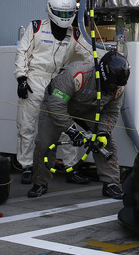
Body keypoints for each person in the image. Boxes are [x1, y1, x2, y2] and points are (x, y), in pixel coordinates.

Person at [28, 50, 130, 199]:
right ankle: (40, 182)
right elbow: (56, 106)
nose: (114, 87)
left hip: (88, 107)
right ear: (102, 75)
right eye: (111, 84)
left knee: (107, 143)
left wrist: (103, 132)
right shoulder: (76, 75)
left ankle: (111, 183)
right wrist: (71, 131)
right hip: (57, 103)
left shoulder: (118, 88)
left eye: (117, 85)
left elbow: (111, 113)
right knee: (44, 142)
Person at [14, 0, 90, 184]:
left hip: (59, 83)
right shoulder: (36, 27)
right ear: (50, 10)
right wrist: (21, 78)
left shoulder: (75, 34)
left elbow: (90, 55)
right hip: (34, 80)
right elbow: (22, 52)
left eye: (68, 14)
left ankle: (71, 167)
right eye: (61, 13)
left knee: (66, 126)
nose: (64, 18)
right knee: (27, 125)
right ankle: (27, 166)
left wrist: (108, 61)